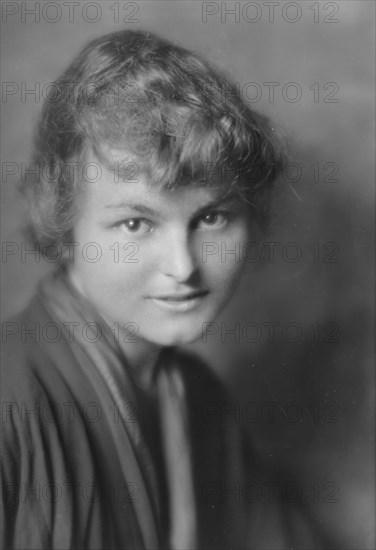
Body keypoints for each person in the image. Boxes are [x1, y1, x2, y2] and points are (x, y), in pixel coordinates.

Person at [1, 29, 335, 550]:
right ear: (66, 228)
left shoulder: (199, 397)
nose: (183, 266)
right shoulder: (9, 402)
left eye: (212, 217)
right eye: (136, 224)